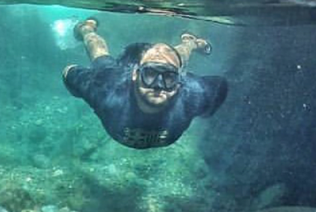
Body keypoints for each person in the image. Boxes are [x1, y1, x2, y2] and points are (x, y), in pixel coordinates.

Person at [62, 18, 228, 149]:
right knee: (100, 56)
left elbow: (220, 86)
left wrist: (207, 111)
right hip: (122, 72)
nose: (158, 85)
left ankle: (190, 43)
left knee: (174, 59)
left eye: (168, 78)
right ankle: (86, 29)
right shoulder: (107, 88)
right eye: (150, 74)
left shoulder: (195, 95)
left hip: (159, 71)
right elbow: (69, 72)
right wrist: (78, 90)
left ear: (179, 83)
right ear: (135, 74)